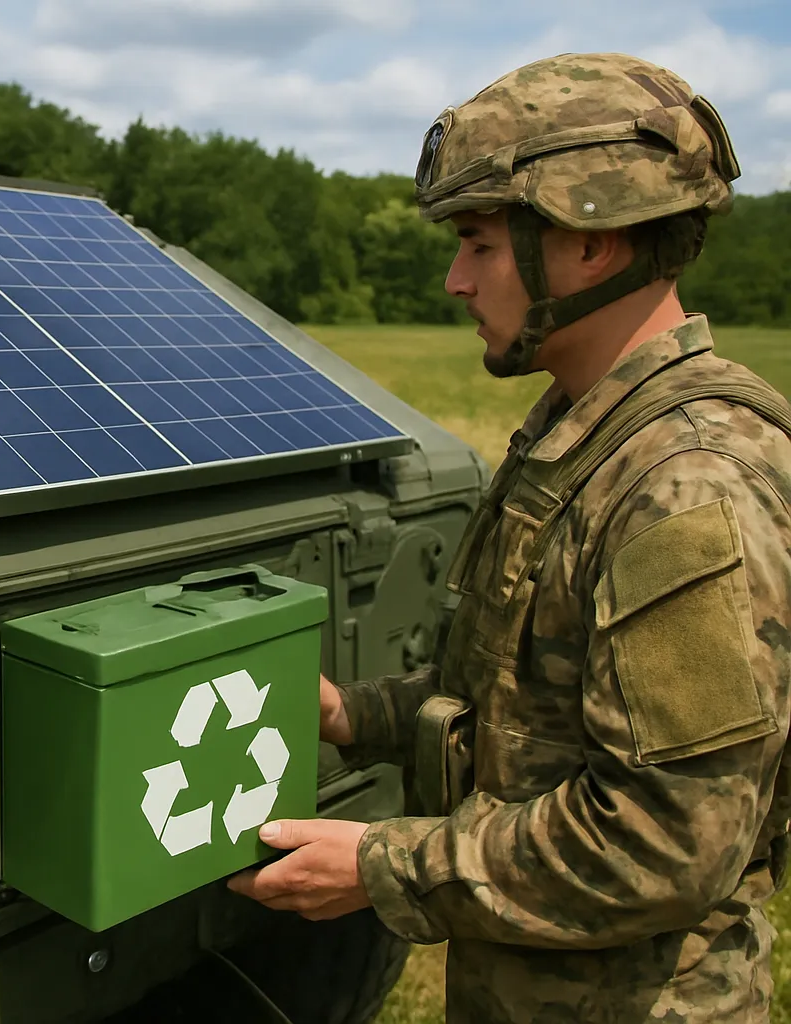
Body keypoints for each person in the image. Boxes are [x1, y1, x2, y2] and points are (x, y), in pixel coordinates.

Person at [227, 51, 791, 1022]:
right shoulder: (584, 436)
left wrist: (384, 864)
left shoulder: (682, 485)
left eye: (479, 242)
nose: (454, 279)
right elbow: (535, 703)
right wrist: (353, 713)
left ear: (588, 242)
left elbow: (665, 837)